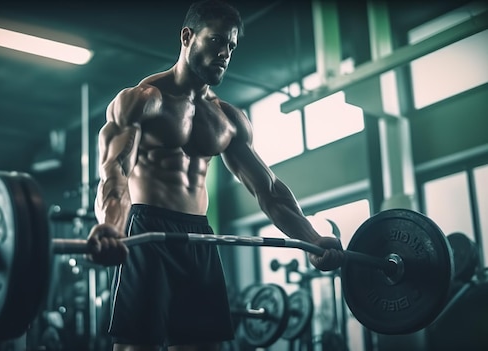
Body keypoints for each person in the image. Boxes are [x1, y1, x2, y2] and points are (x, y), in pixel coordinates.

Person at [86, 0, 344, 349]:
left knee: (204, 345)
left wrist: (311, 238)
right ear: (187, 36)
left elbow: (268, 190)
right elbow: (115, 171)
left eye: (231, 46)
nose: (225, 52)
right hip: (147, 230)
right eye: (216, 40)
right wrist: (112, 229)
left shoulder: (228, 118)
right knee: (138, 344)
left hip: (200, 236)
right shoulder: (143, 100)